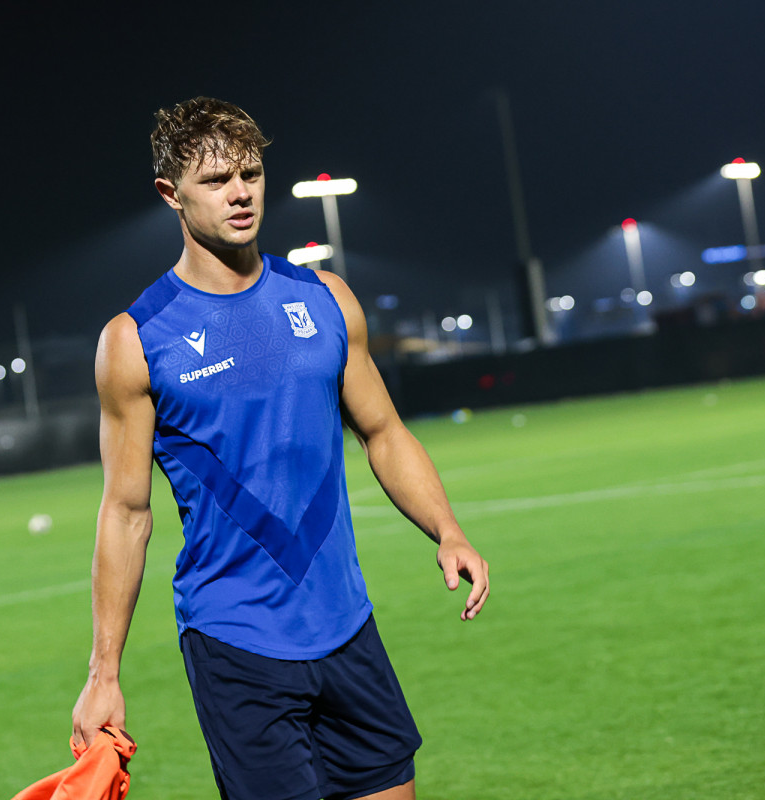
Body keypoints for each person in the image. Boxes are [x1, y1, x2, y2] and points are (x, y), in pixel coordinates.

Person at [71, 97, 490, 800]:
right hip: (236, 642)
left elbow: (384, 433)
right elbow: (125, 512)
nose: (240, 193)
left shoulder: (325, 298)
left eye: (251, 174)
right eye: (216, 180)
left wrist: (447, 529)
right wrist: (103, 673)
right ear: (171, 194)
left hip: (347, 624)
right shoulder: (136, 340)